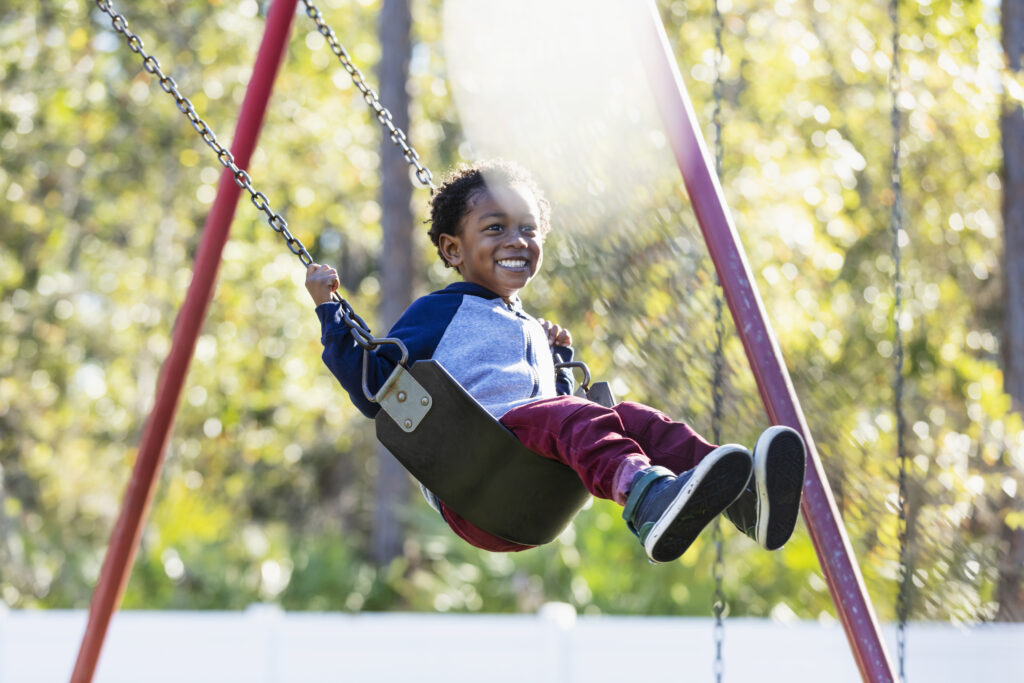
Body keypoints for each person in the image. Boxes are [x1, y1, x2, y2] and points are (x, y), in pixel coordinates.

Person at [306, 160, 806, 563]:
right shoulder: (440, 310)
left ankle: (740, 498)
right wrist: (330, 310)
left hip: (534, 489)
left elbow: (560, 414)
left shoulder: (530, 327)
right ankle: (649, 499)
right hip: (475, 475)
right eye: (495, 228)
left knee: (630, 418)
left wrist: (557, 357)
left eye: (528, 228)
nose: (516, 240)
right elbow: (373, 383)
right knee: (569, 418)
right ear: (453, 249)